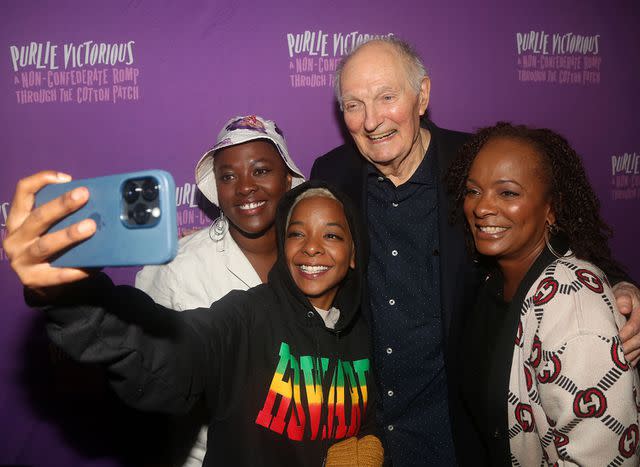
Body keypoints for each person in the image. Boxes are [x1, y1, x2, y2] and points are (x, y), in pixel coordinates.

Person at [310, 36, 640, 465]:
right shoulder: (330, 173)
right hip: (372, 436)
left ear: (422, 95)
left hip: (463, 431)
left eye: (386, 97)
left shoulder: (474, 164)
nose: (371, 121)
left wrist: (620, 285)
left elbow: (558, 228)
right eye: (353, 105)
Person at [3, 177, 381, 467]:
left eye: (331, 235)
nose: (311, 246)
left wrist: (373, 440)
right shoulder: (247, 316)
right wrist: (72, 297)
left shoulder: (370, 331)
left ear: (353, 254)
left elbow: (392, 409)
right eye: (296, 233)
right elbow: (177, 350)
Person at [446, 122, 640, 465]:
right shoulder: (494, 280)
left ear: (552, 208)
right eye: (473, 191)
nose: (481, 207)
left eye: (507, 193)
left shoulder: (572, 302)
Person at [136, 115, 305, 466]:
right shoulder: (177, 266)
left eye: (260, 171)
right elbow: (144, 373)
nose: (245, 187)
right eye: (228, 176)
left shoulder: (315, 263)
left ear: (288, 179)